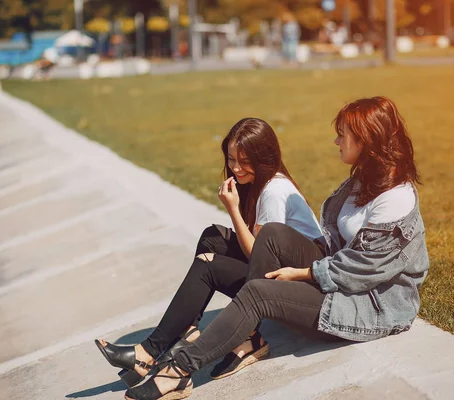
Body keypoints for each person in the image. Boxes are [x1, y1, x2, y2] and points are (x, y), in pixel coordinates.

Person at [124, 97, 430, 400]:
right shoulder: (363, 181)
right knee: (270, 234)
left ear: (365, 140)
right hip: (339, 278)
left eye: (342, 134)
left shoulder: (396, 200)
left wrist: (304, 273)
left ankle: (177, 372)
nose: (336, 140)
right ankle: (242, 335)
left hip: (368, 305)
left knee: (258, 292)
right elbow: (338, 246)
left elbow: (364, 269)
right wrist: (308, 272)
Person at [95, 117, 322, 387]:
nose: (236, 168)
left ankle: (149, 352)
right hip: (277, 267)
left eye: (244, 161)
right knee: (212, 237)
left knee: (208, 265)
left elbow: (258, 256)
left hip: (302, 285)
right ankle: (187, 330)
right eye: (231, 159)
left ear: (264, 158)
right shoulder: (257, 185)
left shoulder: (274, 190)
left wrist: (233, 209)